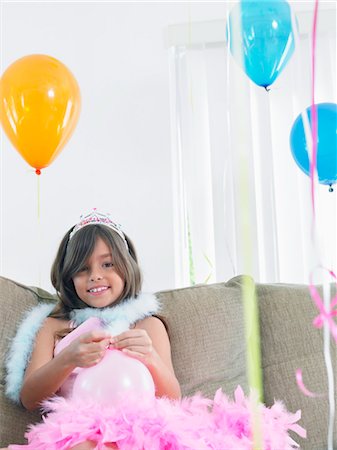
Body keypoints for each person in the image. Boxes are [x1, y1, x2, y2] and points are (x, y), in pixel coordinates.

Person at [2, 210, 306, 450]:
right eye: (82, 269)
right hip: (78, 433)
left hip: (140, 432)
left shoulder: (146, 323)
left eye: (107, 265)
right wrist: (67, 359)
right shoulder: (54, 326)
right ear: (68, 277)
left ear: (127, 267)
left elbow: (171, 396)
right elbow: (30, 398)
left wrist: (150, 358)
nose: (95, 276)